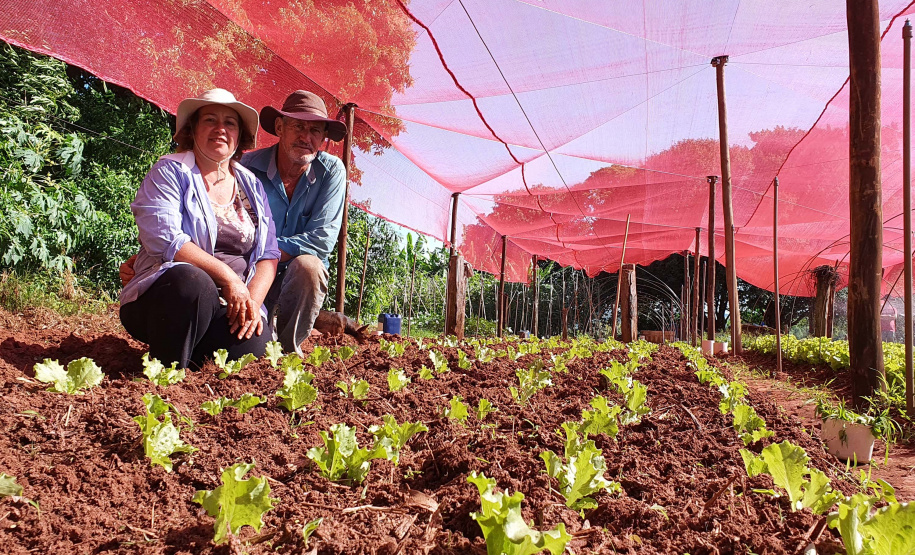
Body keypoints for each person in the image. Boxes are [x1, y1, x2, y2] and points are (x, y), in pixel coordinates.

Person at [120, 89, 280, 369]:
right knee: (192, 282)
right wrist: (229, 278)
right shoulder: (170, 171)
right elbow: (166, 239)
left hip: (228, 305)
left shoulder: (251, 185)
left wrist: (251, 303)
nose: (220, 129)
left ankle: (193, 354)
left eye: (230, 123)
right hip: (170, 297)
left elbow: (268, 253)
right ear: (192, 128)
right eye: (210, 120)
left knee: (256, 344)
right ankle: (168, 374)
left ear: (239, 135)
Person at [240, 90, 348, 356]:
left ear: (323, 138)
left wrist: (268, 250)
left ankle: (289, 350)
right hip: (251, 270)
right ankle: (260, 336)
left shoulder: (332, 171)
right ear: (279, 127)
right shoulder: (246, 168)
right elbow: (234, 231)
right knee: (247, 347)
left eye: (315, 130)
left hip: (292, 273)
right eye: (298, 126)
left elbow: (321, 240)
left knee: (310, 266)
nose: (306, 137)